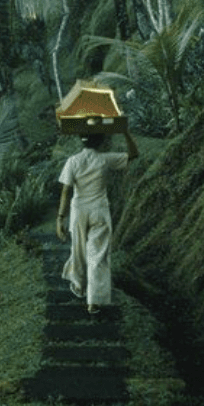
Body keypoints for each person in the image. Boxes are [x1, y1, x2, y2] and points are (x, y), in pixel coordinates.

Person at [56, 128, 139, 314]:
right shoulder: (105, 159)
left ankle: (78, 285)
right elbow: (133, 154)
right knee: (98, 255)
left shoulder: (73, 161)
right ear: (101, 142)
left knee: (78, 251)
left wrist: (60, 218)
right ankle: (94, 300)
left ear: (81, 141)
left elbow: (65, 192)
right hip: (99, 211)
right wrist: (124, 132)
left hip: (78, 212)